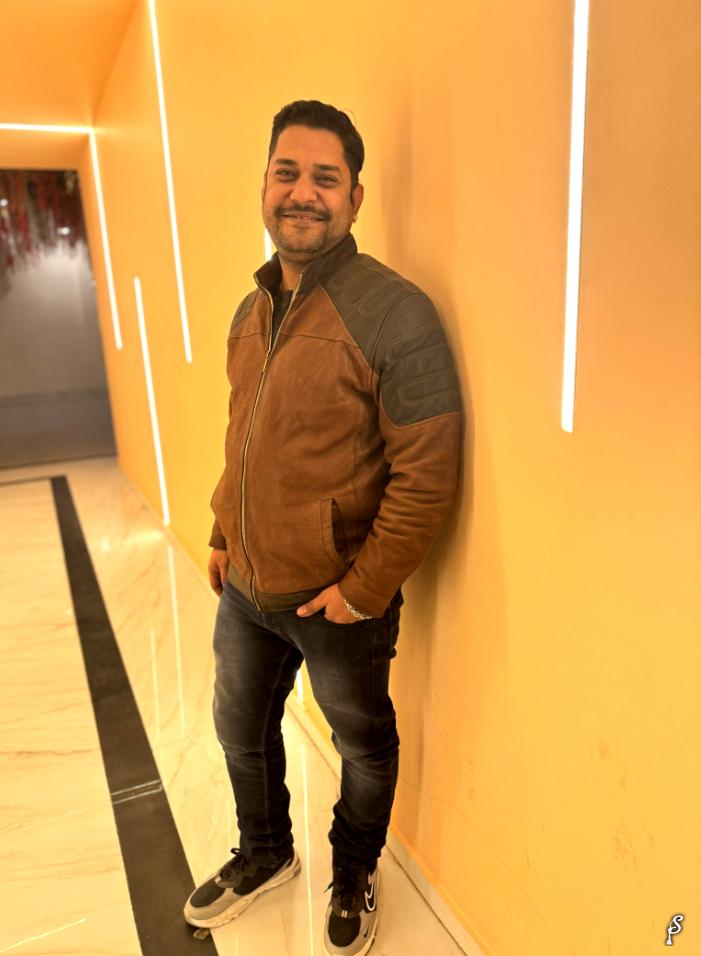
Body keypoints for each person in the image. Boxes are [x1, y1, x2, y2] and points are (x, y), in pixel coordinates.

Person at [183, 100, 462, 956]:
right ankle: (265, 853)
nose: (302, 193)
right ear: (265, 185)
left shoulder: (394, 313)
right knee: (239, 730)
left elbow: (427, 473)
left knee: (362, 747)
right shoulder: (252, 308)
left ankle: (354, 870)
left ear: (354, 197)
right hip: (247, 588)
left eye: (324, 179)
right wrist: (223, 530)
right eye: (287, 173)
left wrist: (364, 590)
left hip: (337, 600)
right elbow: (244, 436)